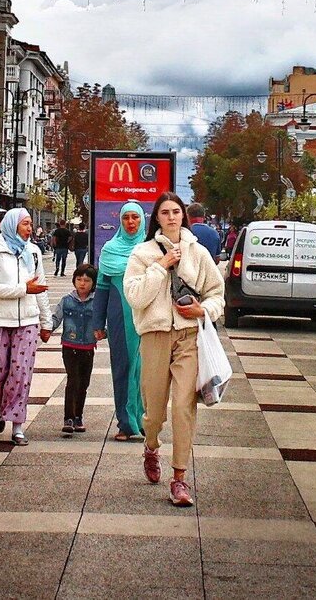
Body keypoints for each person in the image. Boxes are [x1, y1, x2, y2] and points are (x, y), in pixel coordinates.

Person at [124, 192, 225, 507]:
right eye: (165, 212)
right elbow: (135, 297)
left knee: (183, 406)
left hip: (188, 337)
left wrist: (203, 311)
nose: (171, 217)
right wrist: (161, 266)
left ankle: (179, 478)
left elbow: (217, 293)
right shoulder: (142, 254)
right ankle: (151, 446)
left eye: (176, 211)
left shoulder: (198, 253)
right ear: (157, 217)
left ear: (183, 216)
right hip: (154, 336)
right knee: (153, 411)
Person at [0, 207, 52, 446]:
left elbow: (39, 287)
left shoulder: (33, 252)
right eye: (25, 223)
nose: (29, 228)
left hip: (28, 322)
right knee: (0, 373)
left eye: (30, 223)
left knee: (21, 373)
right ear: (12, 225)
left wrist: (46, 322)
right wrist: (23, 290)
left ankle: (17, 426)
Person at [92, 201, 146, 442]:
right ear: (120, 221)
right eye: (126, 218)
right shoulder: (110, 250)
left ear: (142, 220)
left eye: (135, 217)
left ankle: (144, 420)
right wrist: (97, 323)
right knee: (123, 368)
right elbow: (102, 289)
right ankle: (126, 423)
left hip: (147, 319)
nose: (131, 222)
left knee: (145, 371)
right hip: (119, 318)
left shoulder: (149, 249)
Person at [51, 264, 98, 435]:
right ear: (74, 281)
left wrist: (104, 332)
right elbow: (56, 317)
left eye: (86, 280)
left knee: (83, 383)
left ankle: (78, 416)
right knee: (73, 380)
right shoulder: (67, 300)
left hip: (88, 348)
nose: (82, 283)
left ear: (93, 283)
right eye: (79, 279)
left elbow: (103, 321)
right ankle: (68, 417)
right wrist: (47, 329)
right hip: (70, 347)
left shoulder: (97, 301)